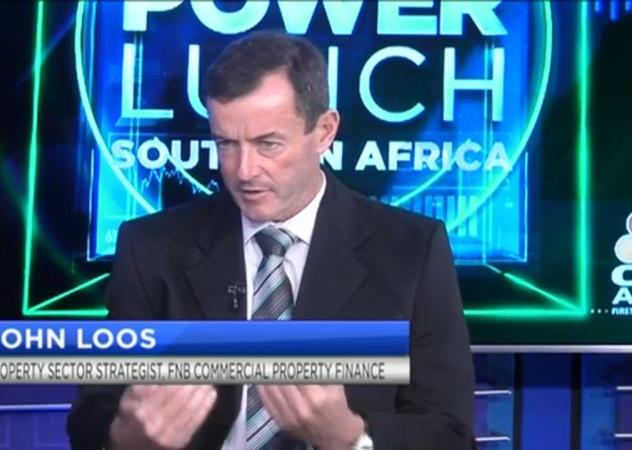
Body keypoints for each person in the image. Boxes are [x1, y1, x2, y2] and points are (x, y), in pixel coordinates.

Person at [68, 30, 474, 450]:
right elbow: (91, 415)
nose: (244, 170)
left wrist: (352, 439)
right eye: (227, 144)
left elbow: (451, 435)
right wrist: (127, 438)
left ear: (324, 131)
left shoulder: (411, 250)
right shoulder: (151, 248)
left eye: (268, 144)